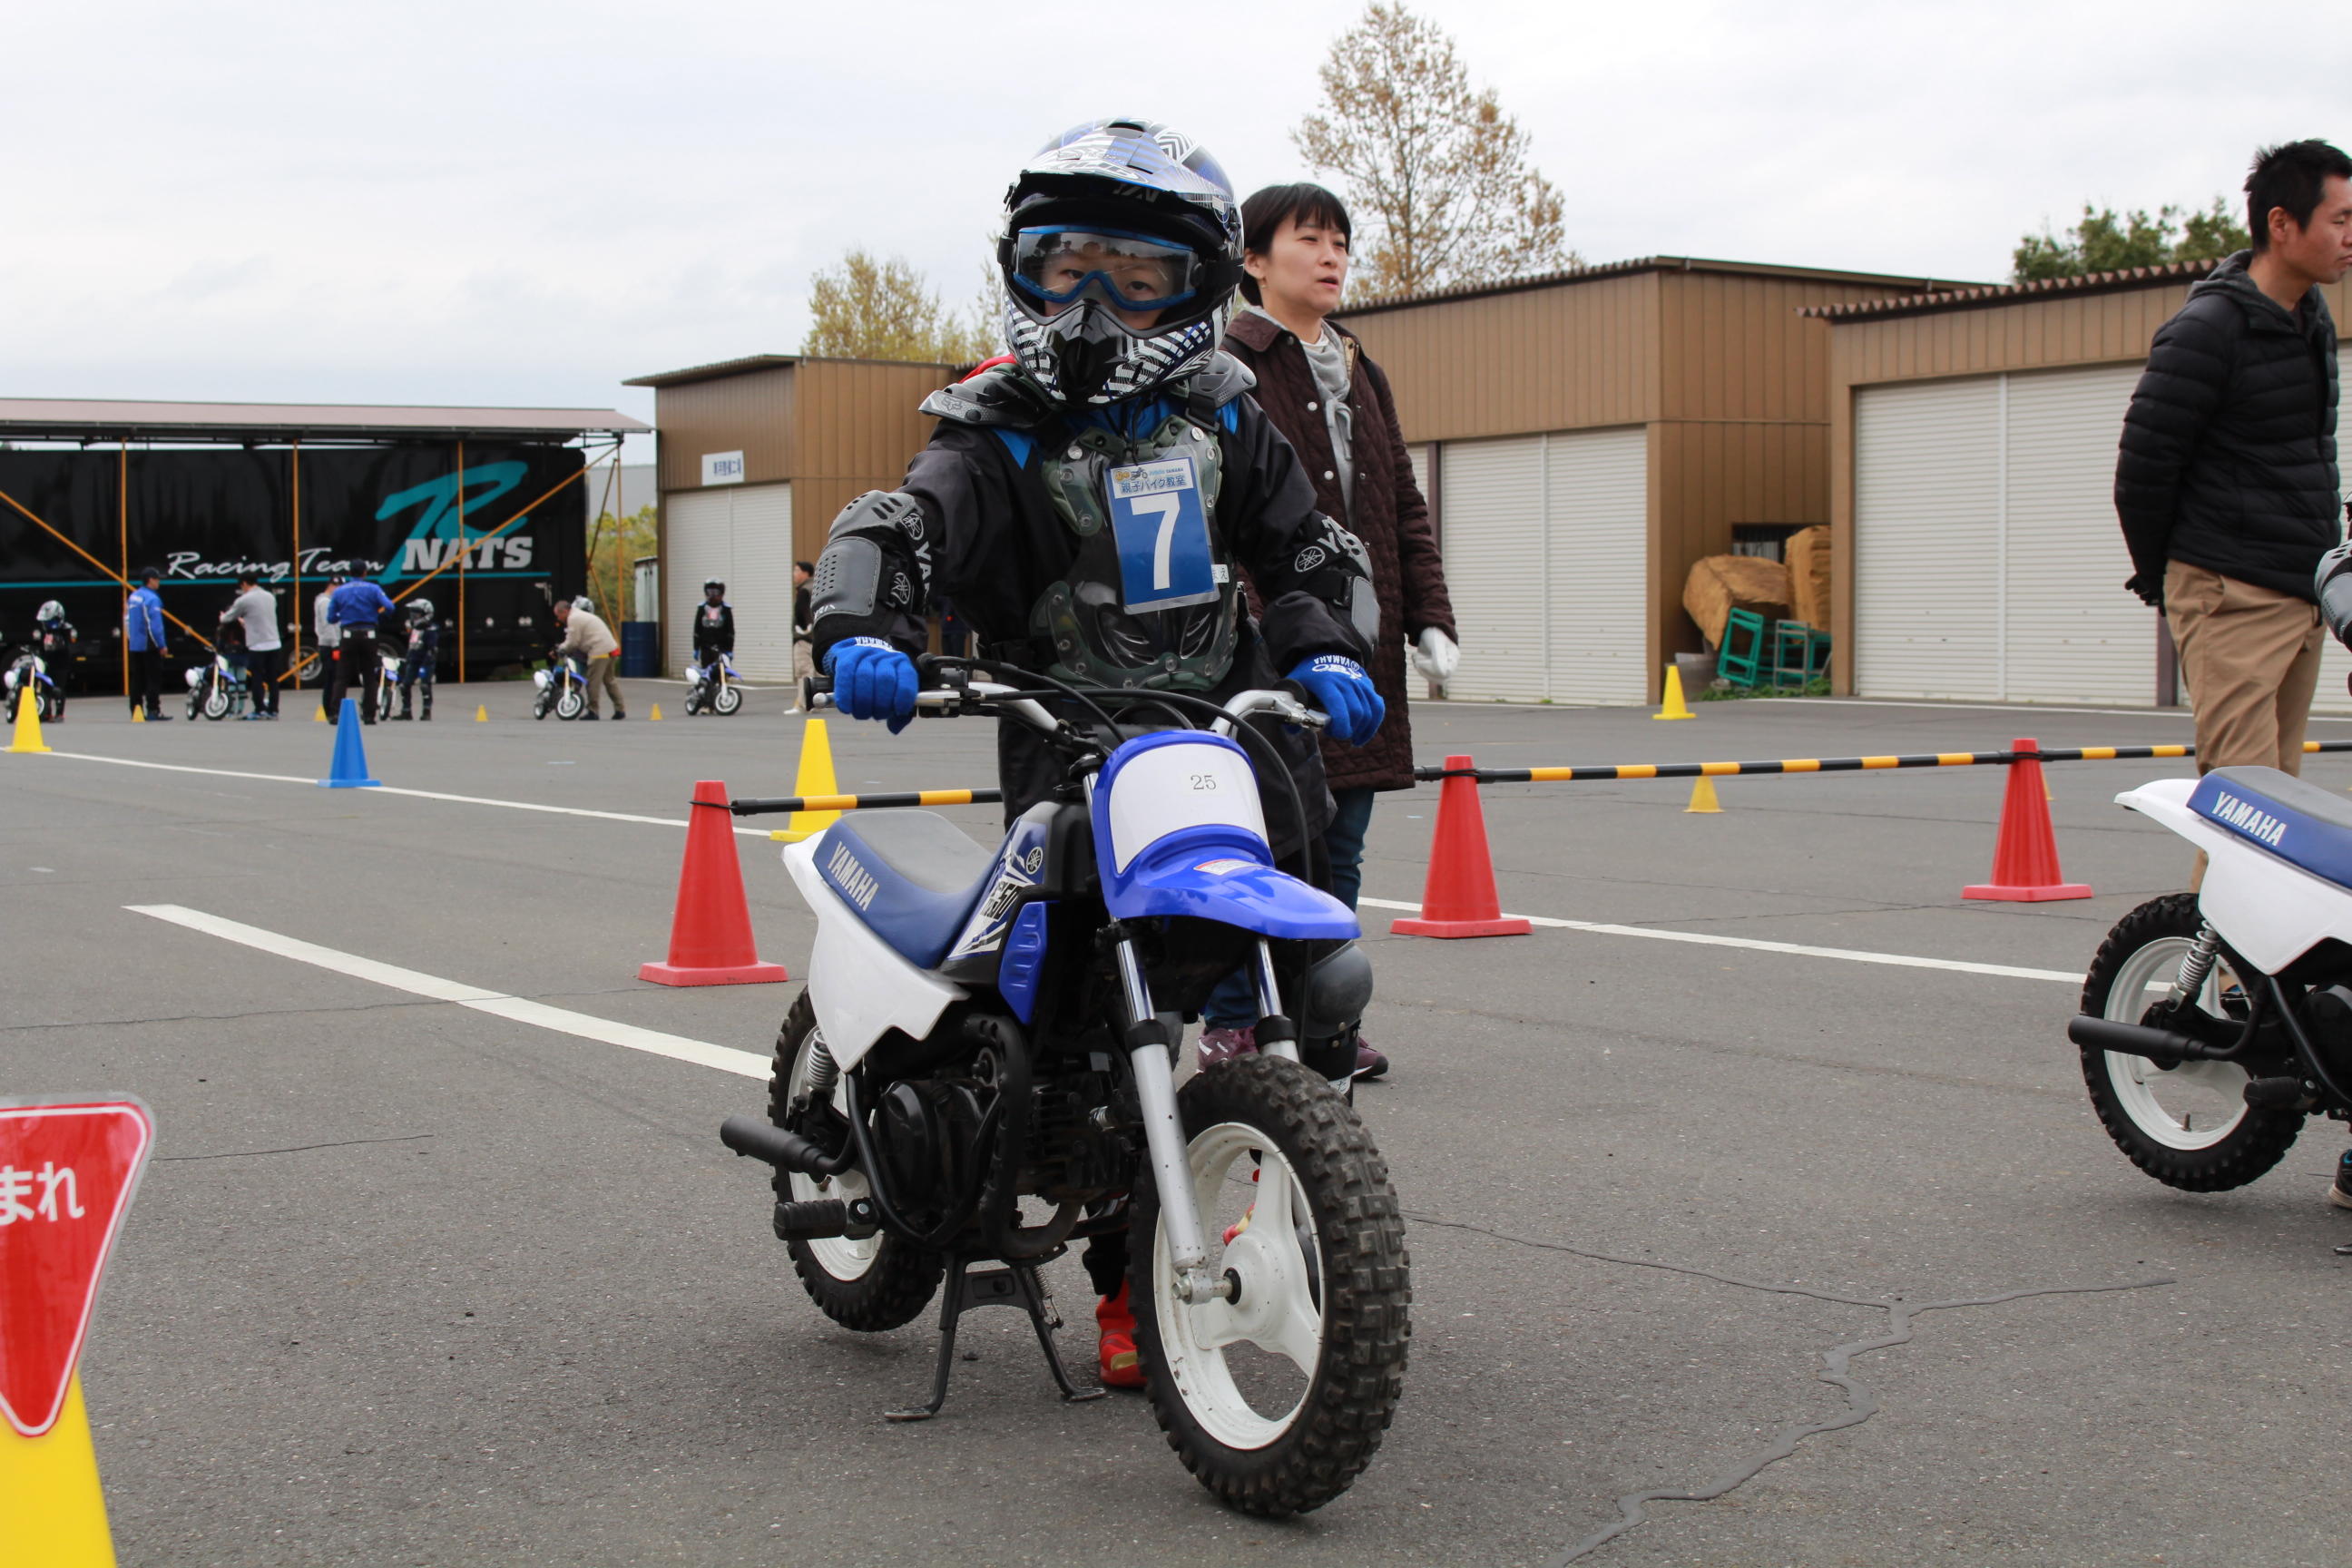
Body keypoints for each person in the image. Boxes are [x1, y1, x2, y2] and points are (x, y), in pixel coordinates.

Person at [806, 118, 1382, 1388]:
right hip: (1063, 741)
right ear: (1022, 268)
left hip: (1227, 744)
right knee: (1082, 1034)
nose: (1095, 303)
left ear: (1195, 279)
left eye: (1135, 274)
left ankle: (1277, 1212)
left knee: (1311, 988)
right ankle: (1128, 1293)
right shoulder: (995, 423)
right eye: (1067, 266)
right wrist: (865, 625)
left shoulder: (1228, 420)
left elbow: (1309, 552)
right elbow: (905, 522)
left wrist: (1329, 646)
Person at [1196, 181, 1461, 1081]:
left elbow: (1403, 504)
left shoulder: (1359, 366)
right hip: (1270, 644)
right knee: (1267, 840)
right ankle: (1237, 1021)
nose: (1333, 255)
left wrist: (1430, 615)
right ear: (1254, 261)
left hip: (1366, 640)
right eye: (1310, 239)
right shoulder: (1229, 363)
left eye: (1341, 240)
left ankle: (1321, 1012)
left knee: (1341, 842)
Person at [2117, 140, 2349, 838]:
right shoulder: (2207, 329)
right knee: (2245, 814)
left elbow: (2310, 456)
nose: (2351, 236)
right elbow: (2142, 471)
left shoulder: (2311, 321)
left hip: (2298, 593)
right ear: (2282, 224)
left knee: (2281, 817)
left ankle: (2263, 954)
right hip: (2231, 595)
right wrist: (2177, 585)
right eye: (2340, 219)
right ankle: (2205, 953)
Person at [327, 573, 396, 724]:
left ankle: (335, 714)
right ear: (364, 573)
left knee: (342, 677)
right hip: (369, 633)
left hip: (348, 634)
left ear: (350, 574)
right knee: (369, 676)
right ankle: (369, 714)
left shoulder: (340, 591)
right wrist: (379, 616)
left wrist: (342, 615)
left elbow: (331, 617)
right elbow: (390, 606)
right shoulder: (373, 588)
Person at [220, 572, 283, 720]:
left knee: (257, 678)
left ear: (244, 584)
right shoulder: (270, 596)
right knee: (273, 679)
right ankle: (273, 710)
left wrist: (222, 617)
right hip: (274, 641)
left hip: (257, 644)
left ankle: (259, 709)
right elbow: (261, 616)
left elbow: (229, 617)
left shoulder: (244, 599)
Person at [553, 596, 625, 719]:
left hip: (599, 650)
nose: (558, 619)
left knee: (592, 682)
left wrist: (561, 649)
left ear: (564, 612)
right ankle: (620, 710)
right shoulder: (580, 615)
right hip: (610, 648)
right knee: (609, 681)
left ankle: (593, 711)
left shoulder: (573, 618)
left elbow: (573, 642)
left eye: (558, 616)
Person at [123, 566, 171, 720]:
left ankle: (136, 709)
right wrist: (161, 644)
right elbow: (155, 625)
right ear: (150, 580)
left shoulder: (133, 597)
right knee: (153, 678)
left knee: (137, 678)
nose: (159, 582)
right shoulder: (152, 599)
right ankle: (153, 710)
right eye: (157, 579)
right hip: (149, 644)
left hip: (135, 644)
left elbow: (127, 620)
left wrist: (131, 639)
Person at [392, 598, 438, 720]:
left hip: (425, 661)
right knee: (404, 685)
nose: (413, 617)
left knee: (425, 685)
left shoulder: (430, 629)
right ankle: (406, 711)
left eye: (416, 614)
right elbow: (412, 645)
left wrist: (428, 659)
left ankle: (426, 711)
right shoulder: (415, 629)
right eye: (412, 614)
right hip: (414, 660)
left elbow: (431, 648)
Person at [312, 573, 346, 719]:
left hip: (330, 644)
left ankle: (332, 708)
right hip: (330, 645)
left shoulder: (327, 600)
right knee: (332, 678)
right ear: (331, 586)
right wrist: (335, 645)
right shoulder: (325, 602)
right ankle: (330, 709)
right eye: (338, 587)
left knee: (334, 678)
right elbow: (328, 625)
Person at [31, 601, 75, 697]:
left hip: (60, 665)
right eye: (46, 622)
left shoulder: (65, 630)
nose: (48, 625)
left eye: (51, 622)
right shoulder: (43, 632)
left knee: (59, 689)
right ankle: (47, 707)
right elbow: (39, 647)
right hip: (47, 663)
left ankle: (59, 709)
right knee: (45, 688)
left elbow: (69, 647)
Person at [788, 561, 816, 710]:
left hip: (803, 638)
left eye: (797, 570)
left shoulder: (805, 590)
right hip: (816, 638)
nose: (794, 574)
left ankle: (803, 704)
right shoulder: (817, 587)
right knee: (817, 672)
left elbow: (801, 610)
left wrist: (803, 628)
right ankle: (818, 703)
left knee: (804, 670)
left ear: (806, 573)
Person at [694, 580, 735, 671]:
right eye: (710, 592)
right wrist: (696, 648)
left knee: (721, 671)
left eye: (715, 593)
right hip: (705, 647)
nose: (712, 596)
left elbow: (730, 631)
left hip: (721, 647)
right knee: (706, 671)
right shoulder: (702, 608)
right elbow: (697, 630)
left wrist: (730, 649)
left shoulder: (725, 609)